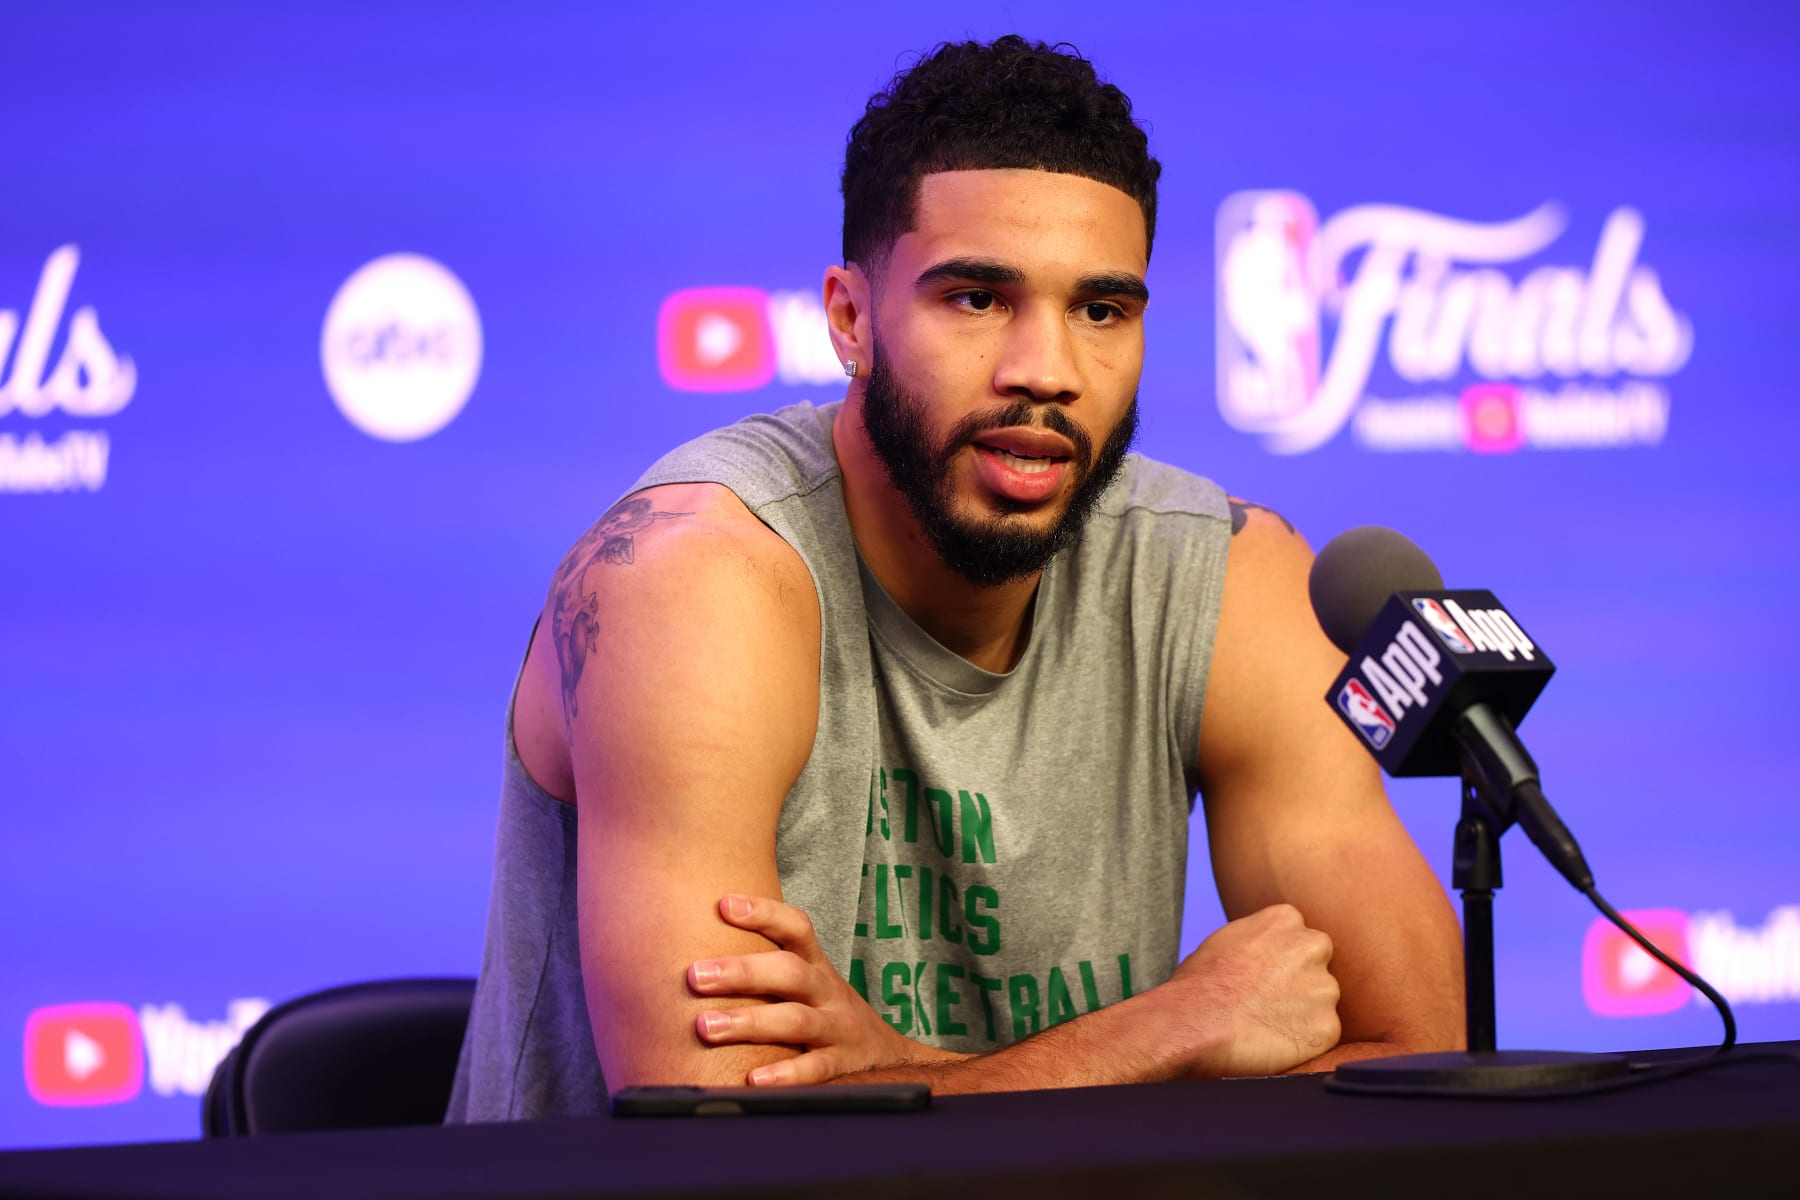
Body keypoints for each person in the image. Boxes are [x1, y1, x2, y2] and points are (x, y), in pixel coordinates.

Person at [446, 35, 1461, 1122]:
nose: (1048, 370)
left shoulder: (1226, 577)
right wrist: (1166, 1031)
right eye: (979, 299)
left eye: (1102, 310)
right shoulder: (695, 575)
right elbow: (706, 1128)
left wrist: (894, 1071)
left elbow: (1419, 1061)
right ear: (850, 319)